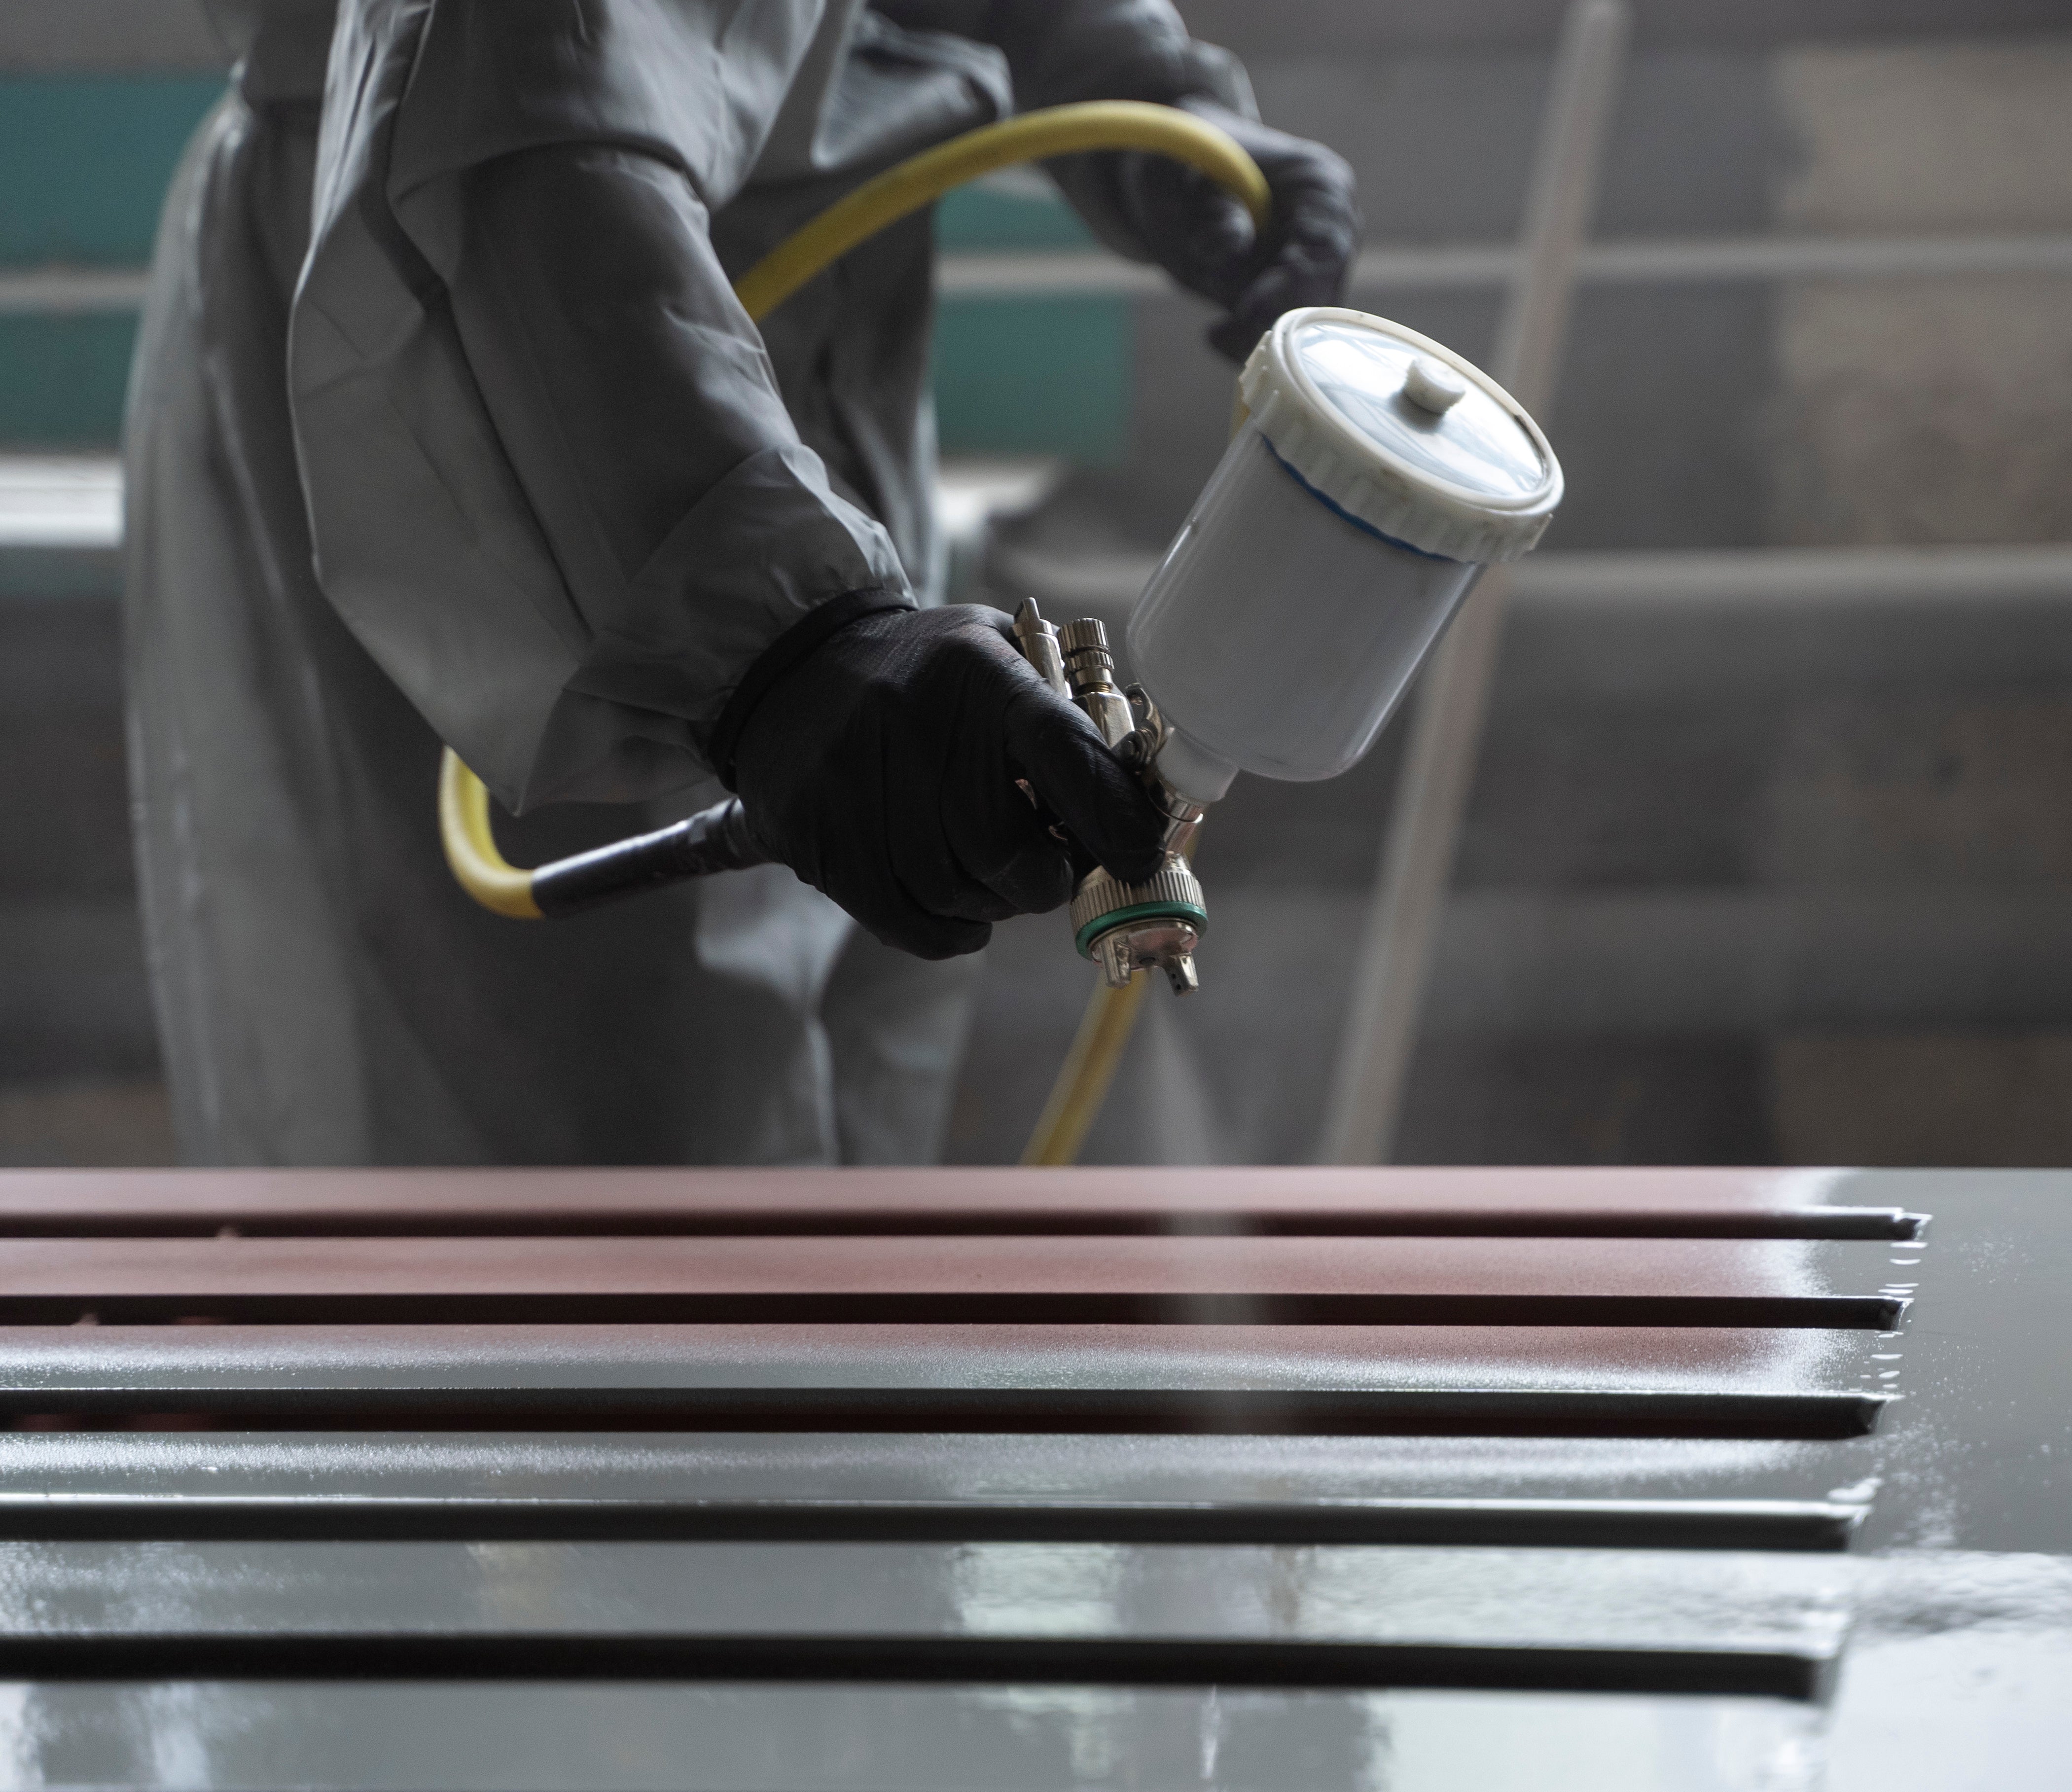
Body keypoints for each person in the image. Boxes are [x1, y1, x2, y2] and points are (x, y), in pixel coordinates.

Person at [123, 0, 1356, 1164]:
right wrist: (782, 643)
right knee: (584, 1175)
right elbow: (518, 79)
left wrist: (1100, 56)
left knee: (839, 1112)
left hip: (773, 326)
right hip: (506, 329)